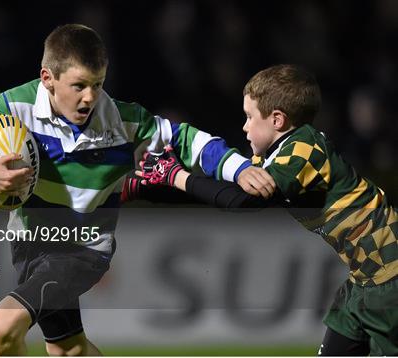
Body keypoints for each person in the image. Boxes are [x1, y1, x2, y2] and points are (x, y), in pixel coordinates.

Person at [0, 24, 273, 356]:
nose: (90, 97)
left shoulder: (121, 121)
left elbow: (187, 141)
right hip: (30, 243)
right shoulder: (14, 107)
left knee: (1, 327)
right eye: (79, 85)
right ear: (47, 79)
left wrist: (239, 168)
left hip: (81, 251)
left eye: (98, 84)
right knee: (68, 349)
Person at [134, 64, 398, 356]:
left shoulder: (304, 151)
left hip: (390, 280)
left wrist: (176, 177)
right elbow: (221, 197)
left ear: (277, 119)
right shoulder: (277, 156)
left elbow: (244, 202)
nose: (245, 126)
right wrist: (150, 185)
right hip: (365, 282)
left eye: (249, 116)